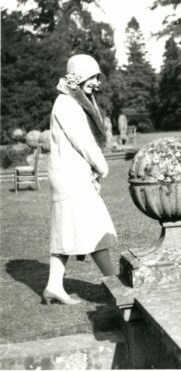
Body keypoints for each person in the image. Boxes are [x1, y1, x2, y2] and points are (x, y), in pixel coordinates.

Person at [44, 54, 117, 305]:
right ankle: (114, 282)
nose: (97, 82)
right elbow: (83, 142)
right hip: (70, 177)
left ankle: (54, 286)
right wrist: (101, 166)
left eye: (98, 77)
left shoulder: (73, 102)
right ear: (79, 76)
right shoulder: (67, 104)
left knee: (70, 230)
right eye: (93, 76)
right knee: (94, 227)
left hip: (71, 175)